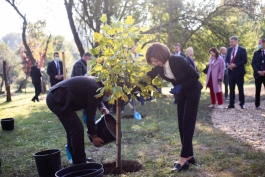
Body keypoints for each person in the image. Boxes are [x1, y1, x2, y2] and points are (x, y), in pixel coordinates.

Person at [145, 42, 202, 172]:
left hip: (193, 91)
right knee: (181, 123)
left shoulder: (178, 60)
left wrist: (181, 86)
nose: (155, 64)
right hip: (181, 94)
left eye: (155, 61)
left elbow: (195, 76)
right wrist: (134, 86)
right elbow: (148, 77)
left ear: (162, 55)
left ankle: (183, 159)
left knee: (188, 122)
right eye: (152, 62)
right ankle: (190, 155)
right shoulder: (158, 67)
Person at [46, 76, 110, 164]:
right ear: (108, 86)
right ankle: (80, 161)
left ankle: (77, 159)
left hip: (56, 96)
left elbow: (96, 97)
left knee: (73, 130)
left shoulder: (97, 83)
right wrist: (94, 136)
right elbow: (90, 115)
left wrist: (102, 107)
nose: (111, 94)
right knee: (76, 129)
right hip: (56, 99)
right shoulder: (95, 87)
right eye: (112, 91)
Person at [225, 36, 247, 109]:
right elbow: (227, 59)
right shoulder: (229, 49)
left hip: (239, 72)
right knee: (231, 89)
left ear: (236, 41)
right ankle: (231, 104)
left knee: (240, 88)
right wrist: (228, 64)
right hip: (231, 72)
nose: (230, 43)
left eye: (232, 42)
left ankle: (242, 103)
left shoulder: (242, 50)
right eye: (230, 42)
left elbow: (244, 60)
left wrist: (236, 65)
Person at [251, 38, 265, 109]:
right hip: (258, 75)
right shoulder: (256, 53)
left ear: (264, 43)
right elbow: (253, 63)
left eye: (260, 43)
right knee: (257, 90)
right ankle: (257, 105)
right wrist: (257, 71)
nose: (258, 45)